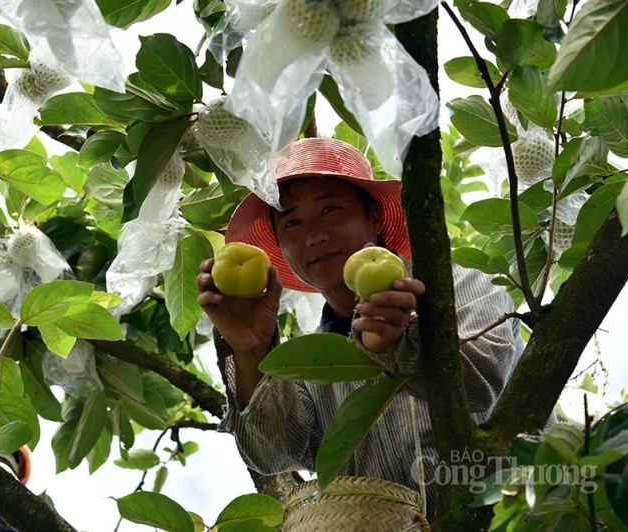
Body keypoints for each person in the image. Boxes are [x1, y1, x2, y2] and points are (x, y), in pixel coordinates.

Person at [196, 137, 524, 519]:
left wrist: (399, 346)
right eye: (292, 222)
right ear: (280, 248)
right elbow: (272, 454)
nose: (314, 235)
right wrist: (253, 351)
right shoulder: (311, 360)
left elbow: (481, 385)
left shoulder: (458, 288)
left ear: (375, 217)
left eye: (330, 208)